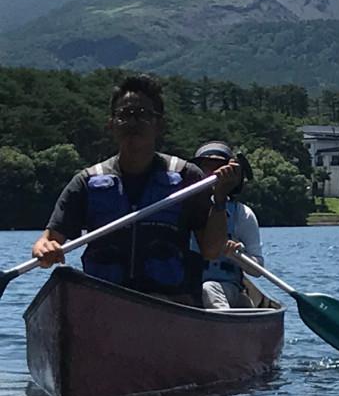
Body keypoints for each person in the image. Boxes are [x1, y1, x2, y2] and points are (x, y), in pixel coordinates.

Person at [31, 74, 238, 303]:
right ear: (111, 124)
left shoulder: (187, 177)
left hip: (171, 305)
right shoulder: (86, 182)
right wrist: (44, 250)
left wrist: (219, 199)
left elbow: (211, 250)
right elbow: (46, 240)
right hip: (105, 303)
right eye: (124, 115)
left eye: (143, 115)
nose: (133, 123)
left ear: (160, 124)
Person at [191, 141, 264, 310]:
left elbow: (257, 270)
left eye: (219, 167)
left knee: (209, 288)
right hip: (187, 289)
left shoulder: (242, 214)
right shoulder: (184, 207)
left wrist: (236, 255)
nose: (214, 173)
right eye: (207, 167)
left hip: (228, 290)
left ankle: (223, 328)